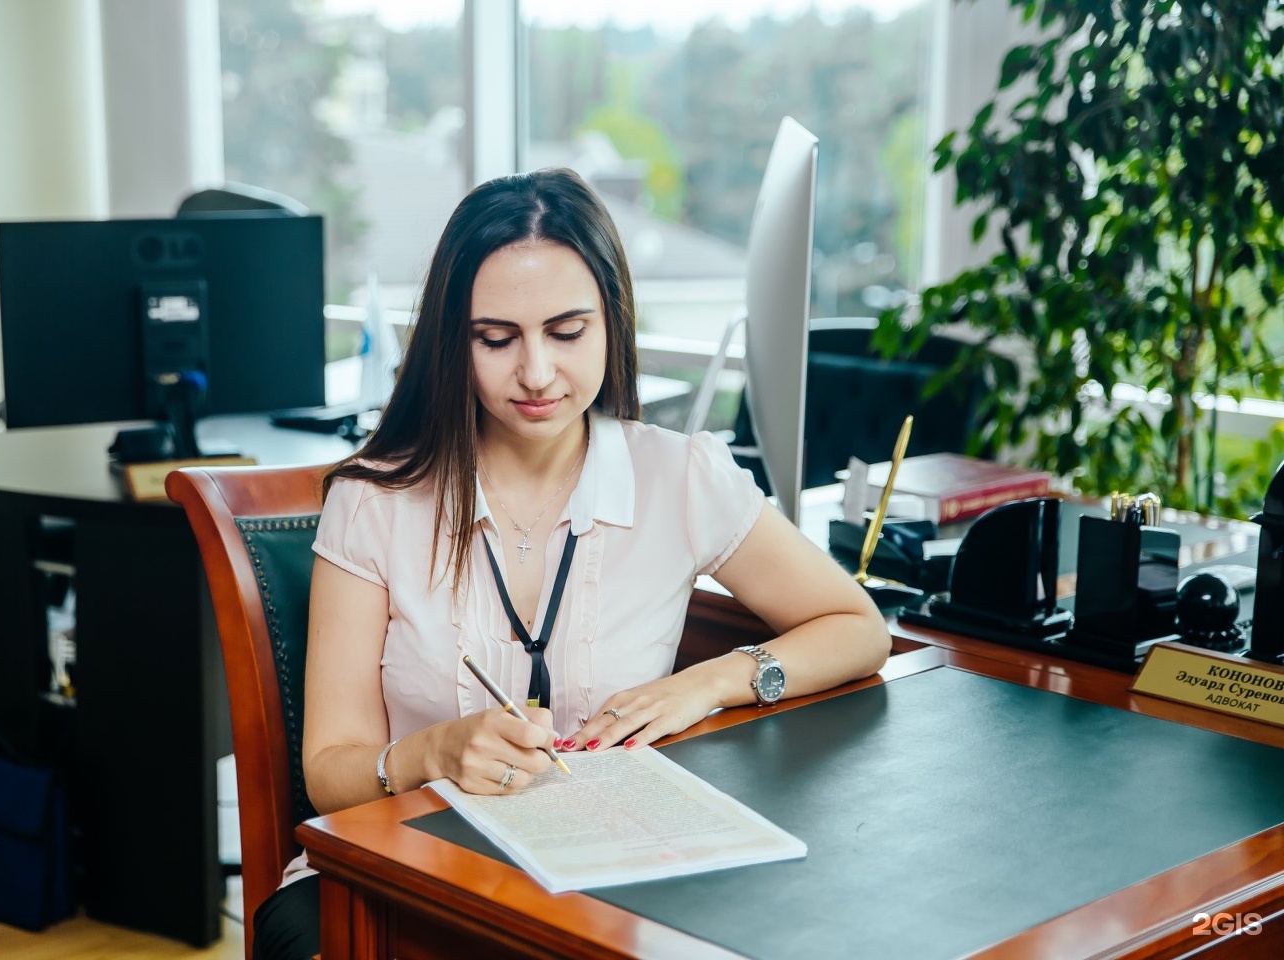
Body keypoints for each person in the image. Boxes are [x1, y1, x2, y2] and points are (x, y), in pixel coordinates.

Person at [251, 168, 891, 960]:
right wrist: (434, 754)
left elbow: (858, 627)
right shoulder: (376, 500)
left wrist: (708, 682)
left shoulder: (680, 476)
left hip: (599, 880)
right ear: (454, 340)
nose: (537, 374)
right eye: (497, 339)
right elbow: (330, 772)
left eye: (566, 331)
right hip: (402, 868)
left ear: (612, 323)